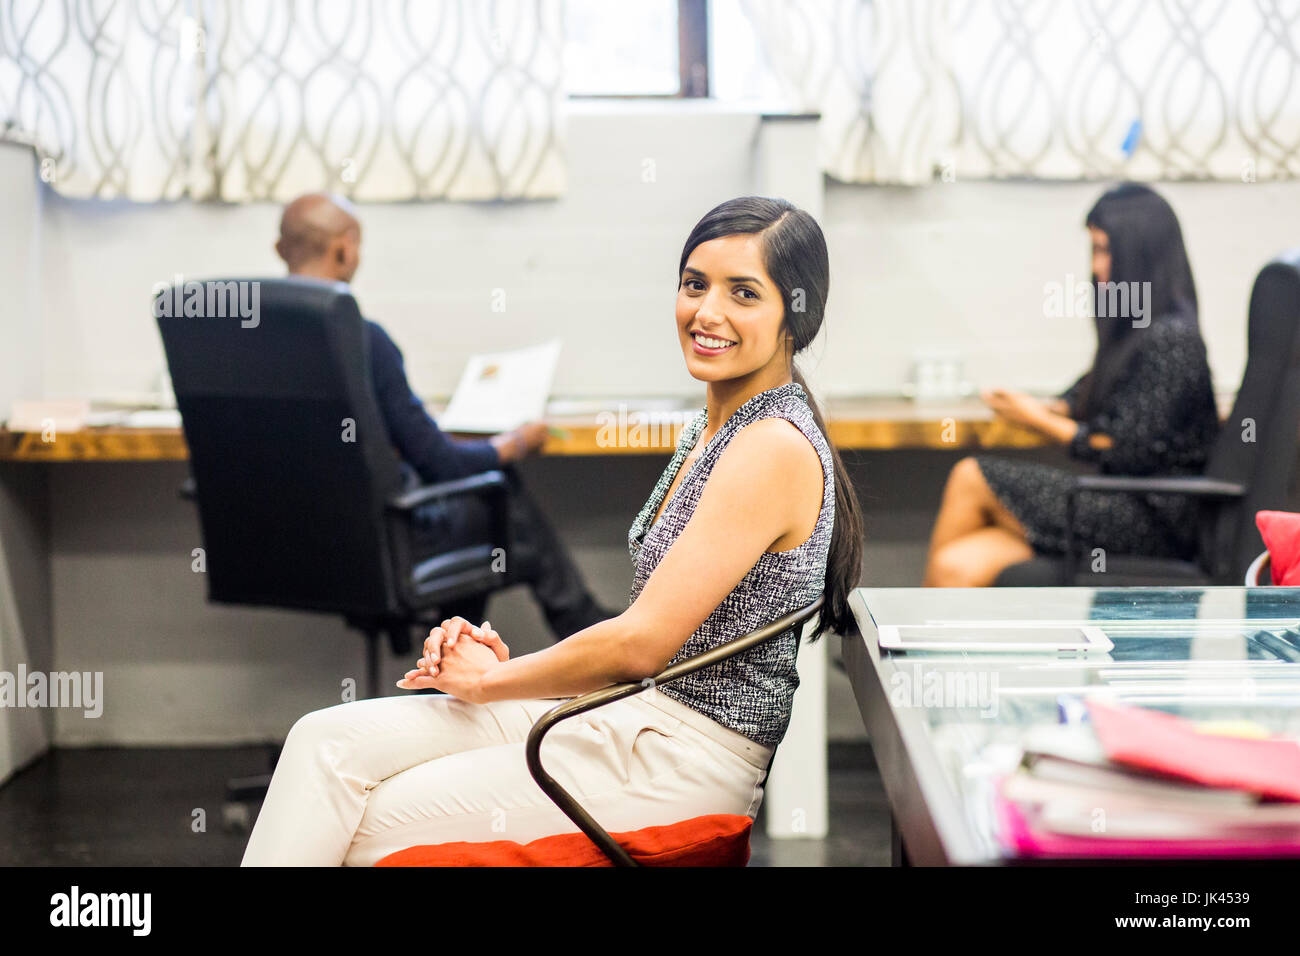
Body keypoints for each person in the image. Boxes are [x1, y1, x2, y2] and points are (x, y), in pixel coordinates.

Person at [241, 195, 863, 866]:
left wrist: (491, 684)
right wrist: (509, 673)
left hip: (678, 756)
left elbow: (640, 644)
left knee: (359, 827)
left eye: (743, 293)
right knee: (320, 744)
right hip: (626, 714)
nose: (706, 312)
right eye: (694, 284)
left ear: (795, 316)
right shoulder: (714, 426)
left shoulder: (770, 444)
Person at [274, 192, 612, 638]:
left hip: (293, 544)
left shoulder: (249, 341)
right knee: (499, 494)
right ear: (345, 249)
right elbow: (440, 463)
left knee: (479, 512)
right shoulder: (363, 341)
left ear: (281, 250)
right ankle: (581, 627)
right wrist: (513, 444)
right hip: (380, 542)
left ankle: (444, 679)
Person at [923, 183, 1220, 587]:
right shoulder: (1140, 335)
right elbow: (1090, 396)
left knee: (971, 474)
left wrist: (1037, 420)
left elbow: (1120, 448)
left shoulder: (1173, 340)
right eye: (1094, 251)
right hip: (1122, 504)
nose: (1097, 267)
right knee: (956, 566)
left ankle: (900, 644)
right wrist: (1046, 408)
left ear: (1140, 256)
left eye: (1105, 251)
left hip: (1153, 520)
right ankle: (925, 645)